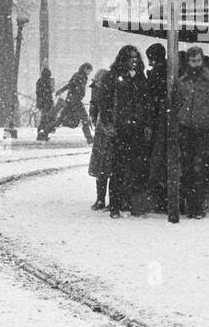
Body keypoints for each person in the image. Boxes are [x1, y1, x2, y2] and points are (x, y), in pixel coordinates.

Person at [173, 46, 209, 219]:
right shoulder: (182, 81)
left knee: (201, 168)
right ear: (187, 61)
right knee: (188, 168)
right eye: (192, 60)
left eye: (198, 60)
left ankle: (197, 205)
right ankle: (191, 205)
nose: (195, 64)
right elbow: (177, 104)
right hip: (187, 129)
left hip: (205, 130)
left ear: (202, 60)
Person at [102, 45, 150, 218]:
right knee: (118, 168)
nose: (134, 61)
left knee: (134, 167)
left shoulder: (139, 78)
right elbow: (105, 102)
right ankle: (116, 205)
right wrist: (108, 124)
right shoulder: (113, 77)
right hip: (120, 128)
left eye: (136, 57)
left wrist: (145, 124)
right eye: (131, 57)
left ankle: (128, 202)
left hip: (135, 128)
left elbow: (146, 103)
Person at [144, 43, 169, 211]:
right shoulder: (168, 69)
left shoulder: (158, 73)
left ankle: (160, 197)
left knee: (157, 158)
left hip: (158, 120)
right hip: (163, 118)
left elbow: (151, 95)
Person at [86, 68, 113, 209]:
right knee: (106, 166)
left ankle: (101, 199)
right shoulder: (108, 91)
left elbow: (95, 107)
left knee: (103, 166)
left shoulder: (102, 92)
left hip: (104, 131)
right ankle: (104, 199)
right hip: (106, 131)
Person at [53, 63, 94, 144]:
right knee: (85, 118)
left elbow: (70, 85)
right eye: (89, 70)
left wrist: (62, 91)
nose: (90, 72)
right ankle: (89, 138)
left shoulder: (81, 76)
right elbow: (70, 85)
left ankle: (44, 132)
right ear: (85, 68)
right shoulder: (79, 76)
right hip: (75, 101)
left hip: (71, 100)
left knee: (60, 119)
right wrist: (62, 91)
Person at [35, 68, 55, 141]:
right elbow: (48, 94)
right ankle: (43, 133)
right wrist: (50, 101)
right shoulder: (45, 82)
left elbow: (39, 93)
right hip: (46, 103)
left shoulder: (40, 81)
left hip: (42, 103)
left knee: (44, 119)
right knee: (45, 119)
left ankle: (42, 133)